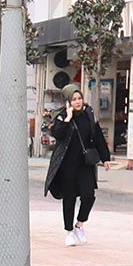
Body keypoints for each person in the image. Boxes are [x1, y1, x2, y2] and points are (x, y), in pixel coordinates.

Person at [43, 89, 110, 244]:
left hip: (84, 164)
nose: (78, 102)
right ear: (68, 101)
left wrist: (105, 157)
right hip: (66, 165)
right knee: (69, 199)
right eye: (74, 99)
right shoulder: (62, 116)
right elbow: (57, 134)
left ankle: (79, 225)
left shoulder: (89, 115)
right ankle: (69, 232)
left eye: (79, 98)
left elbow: (98, 136)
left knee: (88, 196)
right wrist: (68, 119)